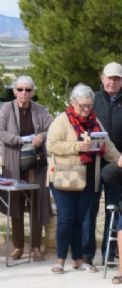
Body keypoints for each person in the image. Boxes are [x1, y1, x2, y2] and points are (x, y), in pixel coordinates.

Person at [46, 83, 122, 274]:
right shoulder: (62, 120)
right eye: (82, 106)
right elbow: (51, 145)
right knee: (66, 218)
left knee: (80, 219)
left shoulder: (95, 121)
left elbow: (108, 145)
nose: (86, 109)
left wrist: (121, 159)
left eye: (89, 105)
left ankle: (78, 259)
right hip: (65, 178)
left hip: (88, 178)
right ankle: (60, 259)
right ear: (73, 103)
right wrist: (77, 147)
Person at [0, 76, 53, 262]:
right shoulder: (6, 108)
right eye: (20, 89)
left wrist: (41, 136)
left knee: (36, 204)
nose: (24, 93)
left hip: (35, 164)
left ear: (33, 92)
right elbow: (1, 131)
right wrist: (19, 139)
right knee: (15, 204)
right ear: (14, 91)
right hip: (13, 163)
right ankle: (18, 246)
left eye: (28, 90)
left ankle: (37, 247)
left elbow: (52, 128)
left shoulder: (40, 110)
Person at [88, 62, 122, 265]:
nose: (112, 82)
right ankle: (87, 255)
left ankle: (109, 254)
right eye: (109, 78)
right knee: (89, 210)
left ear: (121, 81)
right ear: (102, 78)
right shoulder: (92, 100)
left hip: (119, 164)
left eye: (117, 78)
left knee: (114, 208)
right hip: (92, 162)